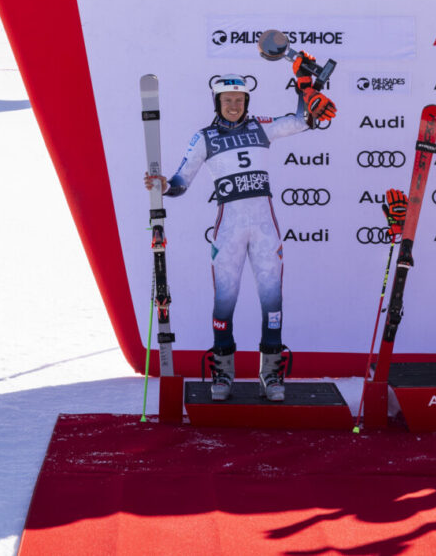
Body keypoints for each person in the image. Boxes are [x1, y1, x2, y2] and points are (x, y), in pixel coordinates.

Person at [143, 63, 336, 402]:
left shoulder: (262, 128)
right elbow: (181, 180)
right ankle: (223, 372)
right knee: (224, 303)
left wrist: (306, 91)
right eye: (227, 100)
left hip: (264, 229)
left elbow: (302, 121)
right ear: (217, 102)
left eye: (239, 100)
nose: (234, 106)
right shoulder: (204, 136)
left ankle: (271, 375)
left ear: (247, 101)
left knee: (272, 302)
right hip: (229, 229)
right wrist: (163, 186)